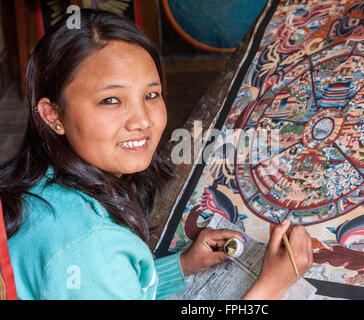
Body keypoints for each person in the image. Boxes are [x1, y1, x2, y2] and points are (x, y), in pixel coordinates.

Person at [1, 9, 312, 300]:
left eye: (151, 95)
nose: (142, 121)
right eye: (111, 100)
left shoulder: (43, 183)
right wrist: (271, 286)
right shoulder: (86, 245)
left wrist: (183, 266)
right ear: (52, 114)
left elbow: (106, 284)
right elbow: (93, 267)